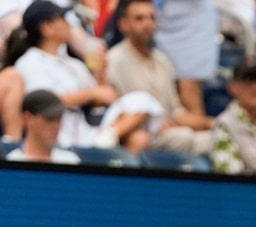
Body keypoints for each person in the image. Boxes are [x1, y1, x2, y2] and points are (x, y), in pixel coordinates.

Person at [9, 0, 161, 153]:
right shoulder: (30, 61)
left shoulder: (74, 63)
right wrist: (90, 94)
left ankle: (108, 136)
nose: (68, 23)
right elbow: (42, 102)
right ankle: (104, 141)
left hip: (89, 129)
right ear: (47, 28)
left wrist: (100, 72)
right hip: (59, 129)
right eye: (62, 18)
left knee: (142, 100)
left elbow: (98, 104)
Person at [105, 0, 213, 155]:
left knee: (218, 139)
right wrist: (155, 123)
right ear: (123, 24)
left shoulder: (163, 61)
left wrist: (212, 123)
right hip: (137, 133)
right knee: (183, 137)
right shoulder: (113, 61)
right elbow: (112, 112)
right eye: (139, 19)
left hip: (170, 133)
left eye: (152, 18)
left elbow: (177, 113)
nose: (148, 24)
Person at [5, 87, 80, 161]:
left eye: (59, 119)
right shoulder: (12, 162)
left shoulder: (70, 160)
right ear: (27, 118)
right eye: (49, 119)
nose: (56, 126)